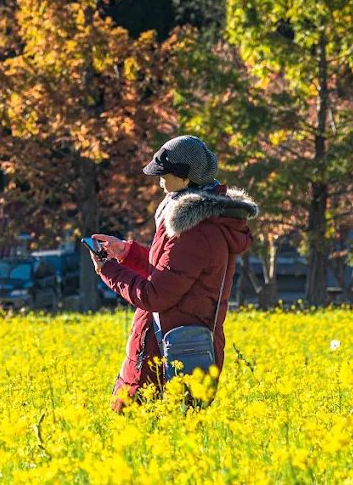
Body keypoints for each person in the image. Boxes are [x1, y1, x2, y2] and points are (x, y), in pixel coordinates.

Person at [90, 135, 257, 411]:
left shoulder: (193, 231)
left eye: (164, 175)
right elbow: (173, 274)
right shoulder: (201, 224)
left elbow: (156, 295)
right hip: (171, 349)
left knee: (143, 440)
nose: (159, 183)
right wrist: (126, 254)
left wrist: (108, 270)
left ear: (185, 179)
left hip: (166, 356)